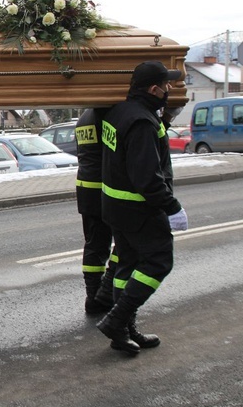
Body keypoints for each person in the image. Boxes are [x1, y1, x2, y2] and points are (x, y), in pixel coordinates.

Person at [97, 61, 188, 355]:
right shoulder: (142, 123)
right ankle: (117, 320)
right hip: (138, 210)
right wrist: (172, 207)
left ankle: (124, 330)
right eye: (166, 85)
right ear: (153, 89)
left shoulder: (120, 111)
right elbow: (147, 178)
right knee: (159, 262)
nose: (170, 89)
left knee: (128, 264)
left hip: (115, 206)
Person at [74, 108, 117, 314]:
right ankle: (105, 293)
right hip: (104, 188)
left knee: (94, 245)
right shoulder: (106, 115)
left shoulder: (84, 118)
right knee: (123, 243)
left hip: (86, 187)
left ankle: (93, 296)